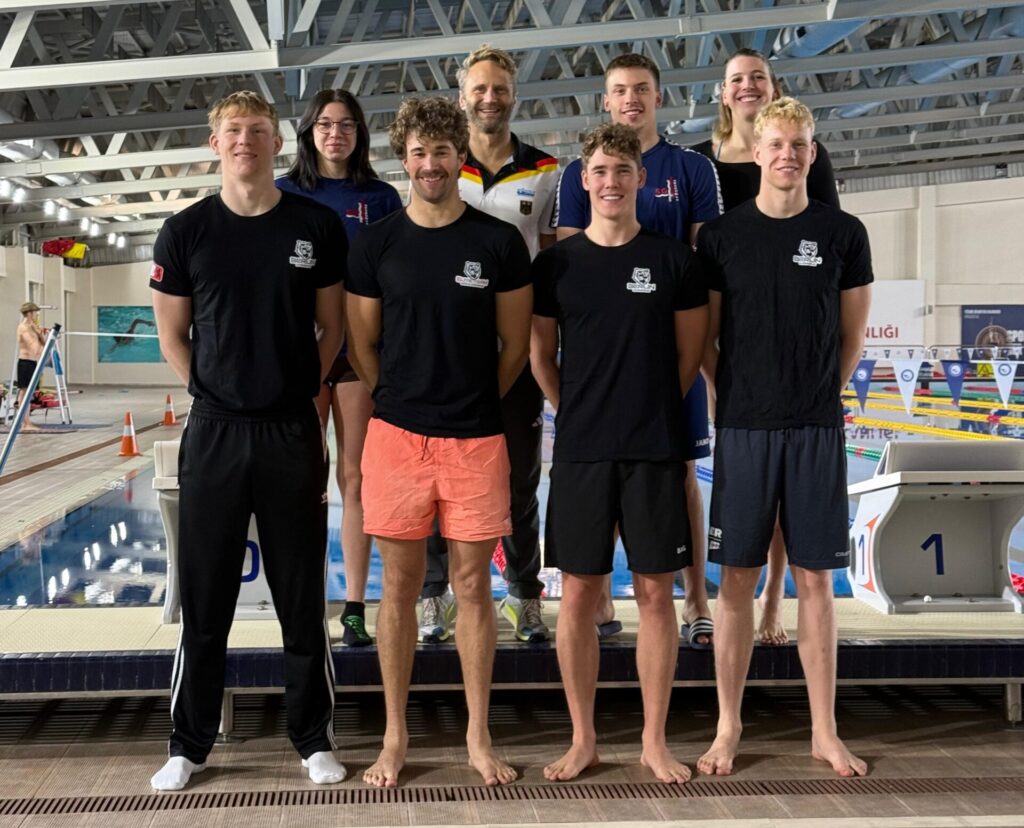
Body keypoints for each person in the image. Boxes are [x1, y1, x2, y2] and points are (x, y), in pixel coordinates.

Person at [149, 90, 347, 791]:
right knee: (206, 598)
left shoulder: (316, 226)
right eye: (233, 131)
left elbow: (334, 330)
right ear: (215, 143)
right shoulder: (185, 231)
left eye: (257, 131)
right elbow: (172, 333)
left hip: (290, 429)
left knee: (300, 595)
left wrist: (294, 393)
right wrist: (217, 390)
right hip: (215, 432)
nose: (245, 142)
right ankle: (189, 741)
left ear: (274, 143)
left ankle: (312, 736)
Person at [346, 95, 532, 788]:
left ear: (461, 157)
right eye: (419, 153)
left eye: (442, 152)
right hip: (397, 437)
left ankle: (478, 738)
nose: (431, 164)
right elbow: (363, 346)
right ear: (405, 159)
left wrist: (473, 398)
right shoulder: (378, 245)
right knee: (396, 589)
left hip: (476, 439)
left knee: (473, 588)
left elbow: (515, 345)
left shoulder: (497, 244)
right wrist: (401, 396)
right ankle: (394, 739)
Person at [695, 97, 872, 778]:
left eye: (800, 144)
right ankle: (727, 726)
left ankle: (824, 731)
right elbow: (705, 336)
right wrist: (730, 391)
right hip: (743, 427)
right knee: (735, 580)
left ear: (812, 152)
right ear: (757, 149)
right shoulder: (721, 237)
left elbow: (852, 334)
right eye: (777, 143)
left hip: (815, 428)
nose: (788, 155)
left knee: (815, 579)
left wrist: (821, 393)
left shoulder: (843, 233)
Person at [533, 123, 707, 783]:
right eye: (599, 171)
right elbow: (540, 354)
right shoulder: (556, 265)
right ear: (584, 179)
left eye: (622, 170)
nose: (610, 182)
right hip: (582, 450)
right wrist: (571, 409)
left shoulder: (674, 262)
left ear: (640, 180)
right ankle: (583, 740)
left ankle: (654, 741)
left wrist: (650, 404)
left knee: (657, 594)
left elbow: (689, 356)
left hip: (654, 448)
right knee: (578, 594)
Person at [554, 52, 722, 647]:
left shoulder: (692, 168)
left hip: (669, 348)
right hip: (602, 369)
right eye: (619, 90)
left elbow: (706, 261)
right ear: (606, 100)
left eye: (641, 89)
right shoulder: (581, 174)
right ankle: (598, 602)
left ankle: (696, 598)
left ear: (658, 97)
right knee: (600, 490)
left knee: (681, 474)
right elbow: (580, 273)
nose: (631, 98)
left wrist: (677, 380)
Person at [692, 48, 840, 646]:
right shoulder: (700, 165)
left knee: (791, 516)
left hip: (794, 368)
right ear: (723, 95)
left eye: (758, 77)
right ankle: (698, 606)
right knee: (731, 506)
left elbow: (823, 263)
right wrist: (713, 377)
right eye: (737, 79)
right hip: (731, 350)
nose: (748, 86)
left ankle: (775, 604)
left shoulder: (807, 157)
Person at [417, 44, 559, 645]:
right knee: (434, 482)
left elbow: (550, 263)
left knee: (518, 479)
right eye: (479, 88)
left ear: (513, 95)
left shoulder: (547, 171)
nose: (490, 98)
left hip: (517, 349)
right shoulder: (443, 166)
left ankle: (524, 594)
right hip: (444, 351)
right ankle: (433, 594)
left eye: (499, 88)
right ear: (462, 95)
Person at [277, 89, 402, 648]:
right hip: (299, 354)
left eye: (346, 124)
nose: (335, 134)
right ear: (307, 132)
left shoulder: (380, 197)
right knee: (302, 481)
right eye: (325, 124)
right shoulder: (283, 194)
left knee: (356, 479)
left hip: (358, 355)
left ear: (359, 133)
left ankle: (353, 604)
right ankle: (304, 601)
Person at [15, 302, 46, 432]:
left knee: (30, 393)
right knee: (24, 392)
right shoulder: (23, 328)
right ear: (29, 313)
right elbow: (35, 348)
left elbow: (43, 342)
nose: (36, 315)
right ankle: (25, 423)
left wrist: (39, 333)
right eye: (35, 312)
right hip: (25, 362)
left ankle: (27, 422)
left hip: (32, 363)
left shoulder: (32, 327)